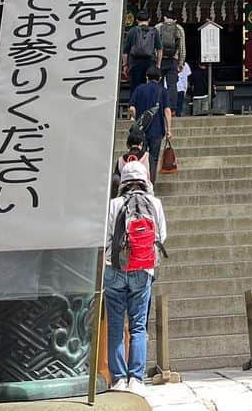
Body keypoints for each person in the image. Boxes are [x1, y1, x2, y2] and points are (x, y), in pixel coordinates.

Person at [104, 159, 166, 393]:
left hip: (115, 270)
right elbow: (162, 236)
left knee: (116, 326)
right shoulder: (155, 204)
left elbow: (105, 238)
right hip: (142, 270)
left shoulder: (113, 204)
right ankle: (136, 380)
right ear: (145, 179)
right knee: (139, 326)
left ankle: (118, 379)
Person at [128, 65, 170, 181]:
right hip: (157, 130)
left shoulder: (139, 89)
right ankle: (151, 183)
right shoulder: (163, 91)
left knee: (140, 157)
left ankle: (140, 180)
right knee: (154, 158)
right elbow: (167, 111)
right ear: (160, 78)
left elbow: (131, 108)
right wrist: (169, 130)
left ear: (147, 77)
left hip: (141, 131)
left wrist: (136, 119)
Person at [123, 9, 161, 93]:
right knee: (149, 89)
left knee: (135, 89)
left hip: (135, 64)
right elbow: (159, 49)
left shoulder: (132, 31)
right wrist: (158, 65)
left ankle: (134, 105)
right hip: (150, 63)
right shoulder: (154, 31)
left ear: (136, 20)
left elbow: (125, 52)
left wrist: (125, 65)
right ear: (149, 20)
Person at [156, 7, 186, 112]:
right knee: (172, 85)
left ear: (164, 17)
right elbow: (182, 47)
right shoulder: (179, 29)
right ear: (175, 19)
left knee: (158, 84)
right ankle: (172, 108)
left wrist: (155, 60)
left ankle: (158, 106)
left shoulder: (158, 27)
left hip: (159, 60)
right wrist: (181, 63)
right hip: (173, 60)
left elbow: (154, 45)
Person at [112, 125, 150, 197]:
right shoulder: (147, 157)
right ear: (141, 143)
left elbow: (116, 181)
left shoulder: (120, 160)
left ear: (128, 145)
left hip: (124, 196)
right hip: (145, 195)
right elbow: (151, 179)